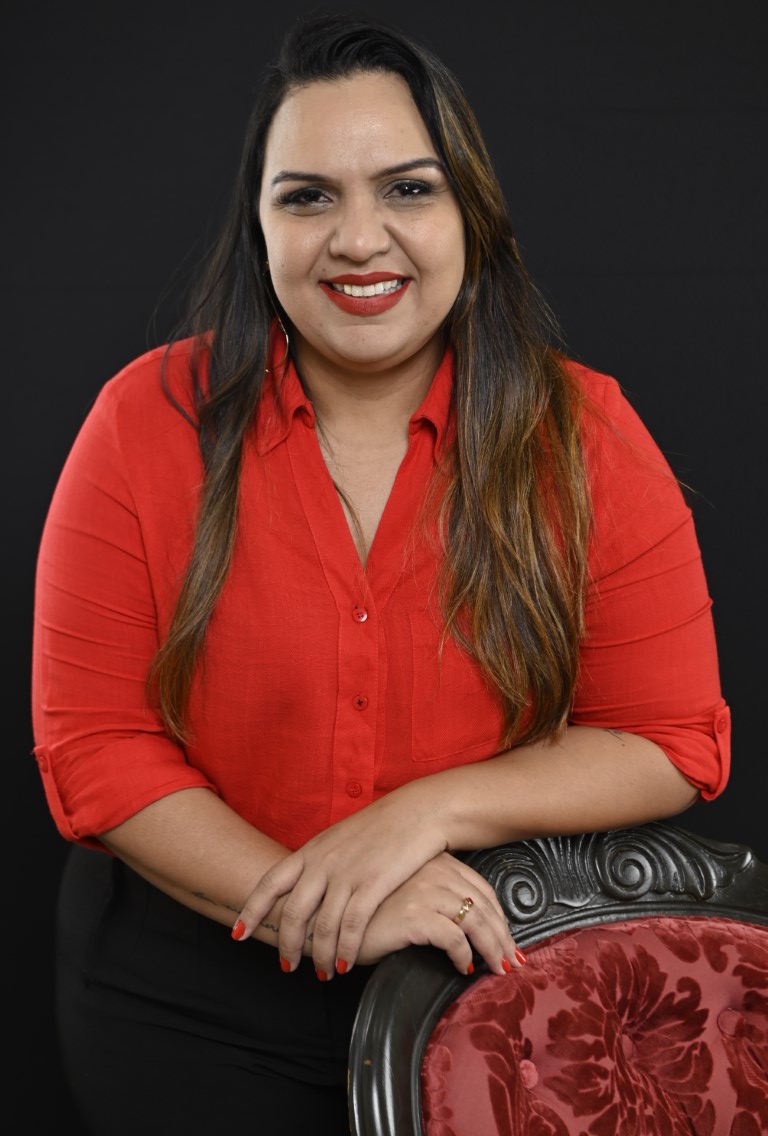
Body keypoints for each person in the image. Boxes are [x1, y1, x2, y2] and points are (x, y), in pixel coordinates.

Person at [31, 9, 730, 1135]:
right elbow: (93, 746)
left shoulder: (584, 433)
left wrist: (425, 812)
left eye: (408, 188)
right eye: (307, 196)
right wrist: (338, 905)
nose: (359, 238)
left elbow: (671, 739)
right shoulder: (141, 422)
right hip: (183, 1001)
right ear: (259, 226)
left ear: (471, 214)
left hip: (492, 987)